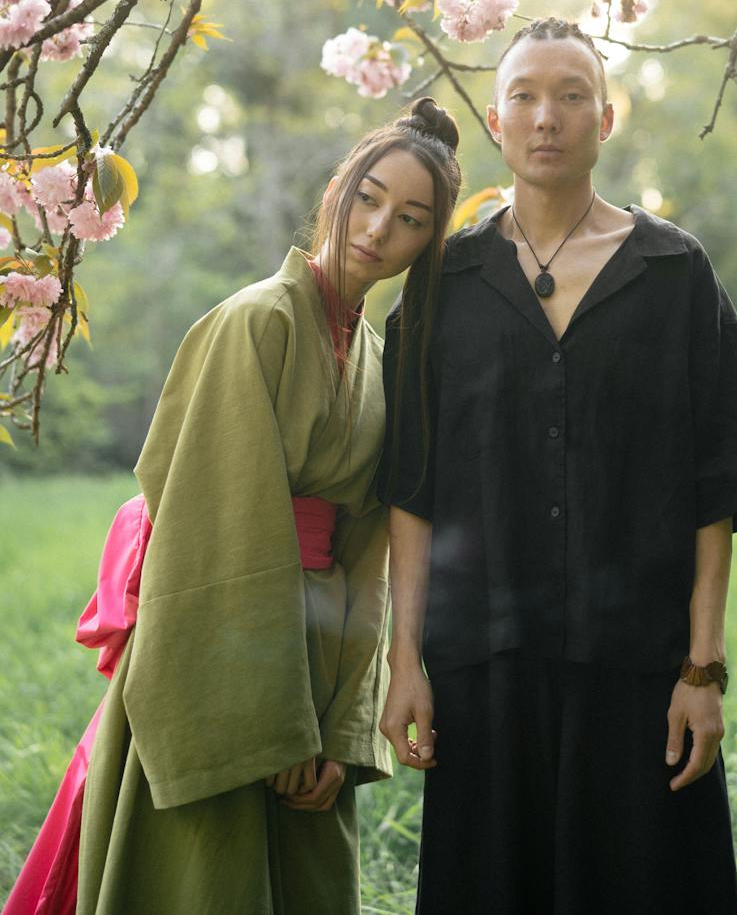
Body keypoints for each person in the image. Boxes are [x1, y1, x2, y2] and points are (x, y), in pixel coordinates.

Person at [3, 97, 461, 915]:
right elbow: (214, 532)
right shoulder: (257, 322)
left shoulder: (379, 360)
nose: (378, 227)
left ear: (428, 243)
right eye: (368, 197)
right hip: (219, 662)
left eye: (411, 219)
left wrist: (334, 731)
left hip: (313, 668)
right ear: (336, 190)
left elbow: (367, 551)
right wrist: (269, 728)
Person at [376, 19, 737, 915]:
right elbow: (412, 496)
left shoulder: (675, 274)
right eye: (523, 95)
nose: (546, 117)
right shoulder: (440, 287)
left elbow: (711, 491)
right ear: (494, 121)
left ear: (606, 118)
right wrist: (403, 663)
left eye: (570, 95)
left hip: (638, 671)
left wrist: (701, 670)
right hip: (484, 671)